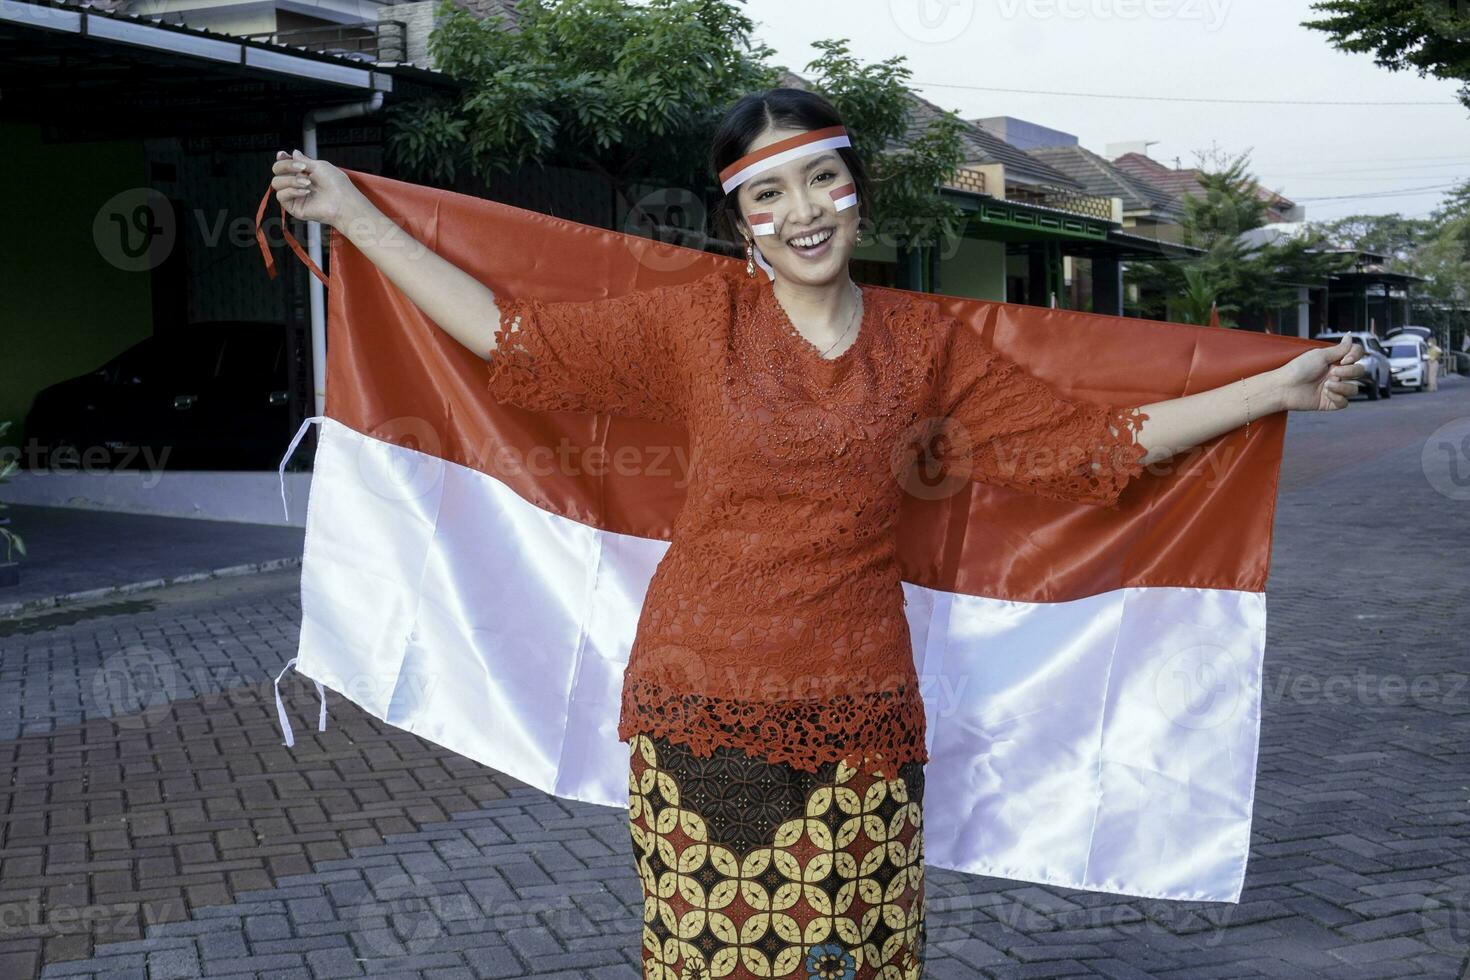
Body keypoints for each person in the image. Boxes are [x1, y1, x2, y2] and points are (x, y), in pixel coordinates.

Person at [267, 87, 1367, 979]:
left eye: (822, 178)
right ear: (740, 221)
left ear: (856, 192)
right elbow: (516, 347)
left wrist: (1273, 386)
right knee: (714, 964)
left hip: (862, 721)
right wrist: (355, 216)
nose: (802, 210)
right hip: (700, 714)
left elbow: (1089, 446)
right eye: (767, 193)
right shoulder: (698, 324)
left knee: (859, 961)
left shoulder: (927, 343)